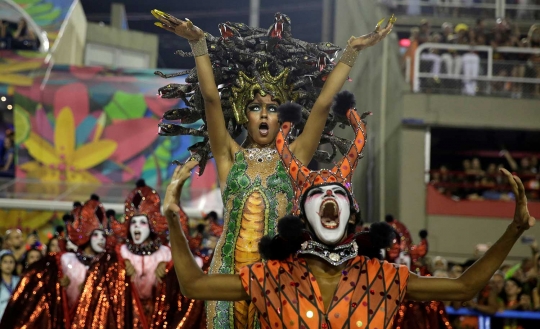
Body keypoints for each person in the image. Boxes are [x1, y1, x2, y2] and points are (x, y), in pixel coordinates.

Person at [163, 95, 535, 329]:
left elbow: (465, 287)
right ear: (302, 216)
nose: (328, 199)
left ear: (352, 215)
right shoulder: (270, 277)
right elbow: (193, 285)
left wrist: (514, 230)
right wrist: (173, 220)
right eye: (318, 194)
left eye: (336, 194)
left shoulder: (384, 277)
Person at [152, 10, 395, 328]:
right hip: (226, 275)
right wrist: (199, 43)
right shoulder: (229, 156)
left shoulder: (294, 159)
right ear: (243, 112)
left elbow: (321, 104)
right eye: (255, 107)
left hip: (280, 279)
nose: (264, 115)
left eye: (272, 108)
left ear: (283, 116)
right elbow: (211, 100)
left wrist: (352, 50)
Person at [71, 179, 205, 329]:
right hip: (126, 318)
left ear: (151, 226)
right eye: (134, 222)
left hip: (160, 320)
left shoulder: (166, 254)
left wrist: (169, 270)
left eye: (142, 222)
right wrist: (119, 270)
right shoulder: (119, 253)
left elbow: (187, 282)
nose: (137, 227)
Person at [0, 196, 108, 329]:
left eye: (103, 235)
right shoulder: (64, 261)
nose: (101, 239)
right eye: (96, 235)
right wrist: (61, 286)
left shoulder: (108, 264)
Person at [0, 251, 19, 321]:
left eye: (11, 262)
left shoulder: (19, 281)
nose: (8, 265)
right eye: (5, 262)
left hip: (16, 319)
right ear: (0, 265)